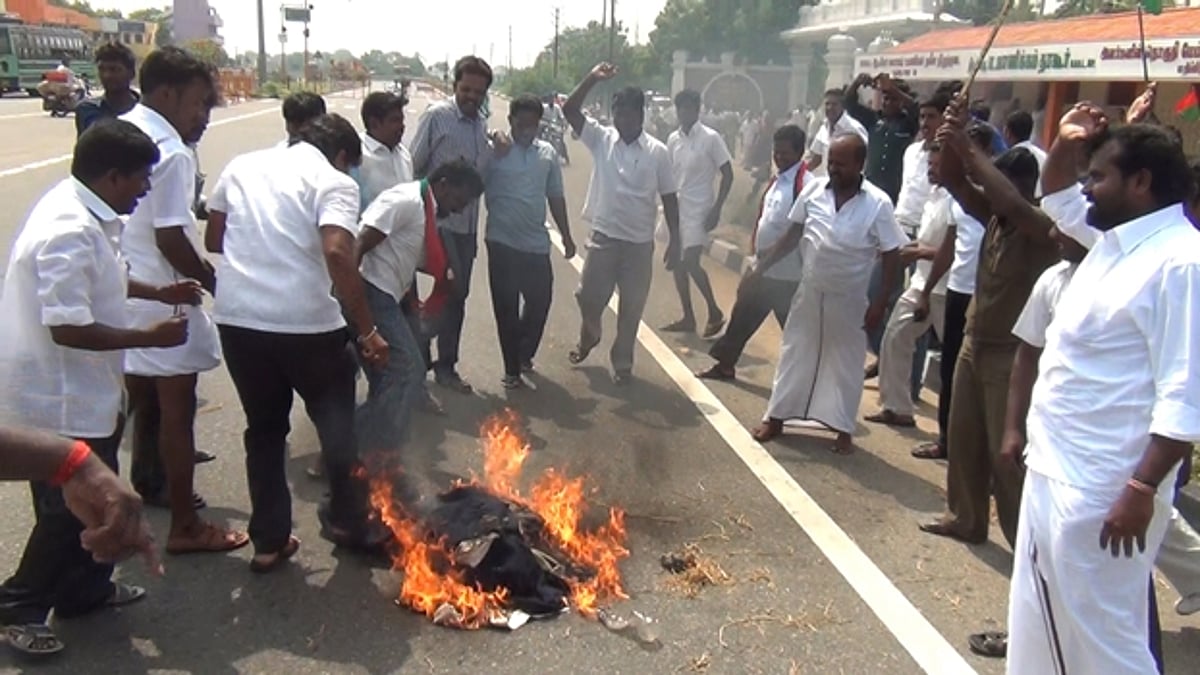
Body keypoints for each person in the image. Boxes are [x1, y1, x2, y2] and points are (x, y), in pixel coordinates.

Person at [1007, 106, 1200, 673]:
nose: (1087, 187)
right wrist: (1066, 143)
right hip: (1054, 471)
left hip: (1104, 488)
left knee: (1106, 642)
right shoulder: (1112, 242)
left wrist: (1141, 487)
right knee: (1040, 623)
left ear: (1140, 183)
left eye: (1100, 177)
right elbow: (1058, 194)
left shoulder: (1180, 262)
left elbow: (1185, 392)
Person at [0, 120, 192, 656]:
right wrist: (146, 334)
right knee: (70, 509)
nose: (146, 190)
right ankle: (19, 605)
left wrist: (158, 290)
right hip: (58, 397)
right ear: (112, 176)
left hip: (86, 392)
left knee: (89, 500)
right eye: (141, 180)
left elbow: (104, 273)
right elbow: (67, 325)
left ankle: (84, 592)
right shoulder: (69, 228)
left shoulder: (89, 211)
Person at [204, 114, 391, 571]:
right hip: (307, 328)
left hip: (238, 322)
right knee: (338, 429)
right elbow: (336, 252)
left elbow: (214, 238)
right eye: (351, 166)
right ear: (343, 155)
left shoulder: (242, 166)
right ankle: (349, 522)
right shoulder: (334, 181)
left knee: (264, 431)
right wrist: (367, 331)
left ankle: (268, 541)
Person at [119, 47, 245, 555]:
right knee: (177, 412)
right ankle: (185, 527)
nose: (202, 117)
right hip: (161, 293)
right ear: (167, 93)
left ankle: (143, 486)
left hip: (125, 287)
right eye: (197, 104)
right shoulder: (168, 150)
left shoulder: (126, 127)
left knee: (139, 401)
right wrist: (215, 283)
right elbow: (173, 237)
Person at [918, 109, 1058, 548]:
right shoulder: (996, 217)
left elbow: (1007, 200)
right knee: (964, 440)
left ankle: (1025, 543)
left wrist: (968, 148)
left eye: (998, 183)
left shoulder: (1039, 227)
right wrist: (949, 143)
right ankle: (966, 517)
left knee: (1006, 455)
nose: (989, 192)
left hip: (1010, 355)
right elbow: (961, 185)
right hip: (974, 344)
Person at [750, 133, 907, 455]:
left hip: (850, 299)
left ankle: (842, 430)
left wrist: (881, 302)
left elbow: (893, 254)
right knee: (795, 353)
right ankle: (776, 418)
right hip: (810, 290)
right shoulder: (813, 190)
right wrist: (760, 267)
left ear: (860, 165)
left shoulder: (878, 203)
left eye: (841, 163)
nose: (833, 169)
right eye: (831, 162)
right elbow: (792, 236)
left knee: (846, 364)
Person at [562, 62, 681, 385]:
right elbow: (570, 110)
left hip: (639, 246)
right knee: (588, 297)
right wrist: (592, 79)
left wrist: (676, 240)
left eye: (628, 114)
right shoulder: (601, 139)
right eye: (618, 113)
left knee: (631, 309)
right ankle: (590, 335)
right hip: (604, 238)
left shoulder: (658, 152)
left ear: (641, 115)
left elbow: (670, 197)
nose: (622, 120)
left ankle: (623, 364)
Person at [356, 161, 483, 456]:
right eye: (458, 200)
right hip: (373, 291)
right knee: (408, 370)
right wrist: (352, 306)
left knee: (388, 379)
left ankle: (353, 450)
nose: (459, 209)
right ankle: (374, 451)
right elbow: (359, 242)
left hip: (390, 294)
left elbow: (410, 253)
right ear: (444, 184)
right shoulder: (406, 201)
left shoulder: (426, 210)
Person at [410, 55, 497, 394]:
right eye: (466, 89)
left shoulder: (481, 125)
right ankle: (416, 354)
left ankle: (445, 366)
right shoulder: (437, 117)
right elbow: (415, 165)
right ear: (455, 86)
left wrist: (496, 151)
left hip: (468, 227)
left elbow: (479, 177)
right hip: (440, 224)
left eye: (478, 91)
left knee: (458, 297)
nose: (471, 96)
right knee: (452, 290)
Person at [697, 124, 811, 381]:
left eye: (785, 153)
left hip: (788, 276)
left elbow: (795, 234)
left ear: (800, 152)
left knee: (796, 334)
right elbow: (763, 220)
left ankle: (808, 386)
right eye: (776, 152)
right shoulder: (778, 179)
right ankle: (725, 365)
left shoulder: (804, 184)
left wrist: (762, 265)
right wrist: (753, 257)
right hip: (764, 268)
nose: (779, 157)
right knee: (742, 317)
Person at [483, 95, 574, 389]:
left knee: (540, 302)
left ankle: (523, 354)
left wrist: (568, 235)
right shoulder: (496, 151)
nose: (526, 130)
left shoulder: (546, 153)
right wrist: (492, 139)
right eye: (521, 124)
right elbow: (474, 174)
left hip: (536, 243)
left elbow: (555, 195)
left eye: (532, 125)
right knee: (506, 307)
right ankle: (511, 369)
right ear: (510, 122)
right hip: (501, 242)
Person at [865, 144, 952, 427]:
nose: (931, 170)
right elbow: (927, 242)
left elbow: (959, 252)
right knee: (895, 337)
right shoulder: (934, 197)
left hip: (947, 290)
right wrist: (900, 248)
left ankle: (952, 431)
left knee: (956, 362)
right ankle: (898, 407)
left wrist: (918, 253)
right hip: (922, 284)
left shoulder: (960, 203)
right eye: (930, 164)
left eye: (937, 165)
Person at [662, 88, 733, 338]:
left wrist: (717, 208)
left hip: (700, 208)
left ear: (697, 109)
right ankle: (688, 316)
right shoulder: (673, 139)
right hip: (678, 208)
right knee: (677, 266)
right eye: (681, 108)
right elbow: (669, 175)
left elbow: (728, 174)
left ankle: (714, 312)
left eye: (690, 108)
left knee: (690, 261)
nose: (685, 113)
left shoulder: (711, 138)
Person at [355, 91, 413, 210]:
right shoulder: (357, 155)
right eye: (395, 121)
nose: (402, 126)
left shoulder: (404, 154)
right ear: (374, 124)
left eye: (402, 120)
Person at [75, 42, 139, 137]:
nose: (107, 75)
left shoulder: (145, 110)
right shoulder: (86, 109)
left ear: (131, 73)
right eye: (102, 69)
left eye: (114, 69)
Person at [806, 88, 868, 178]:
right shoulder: (824, 128)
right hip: (829, 183)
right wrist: (799, 175)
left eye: (834, 104)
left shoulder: (854, 129)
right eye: (827, 104)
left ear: (842, 106)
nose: (830, 108)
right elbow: (816, 158)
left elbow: (866, 159)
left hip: (848, 184)